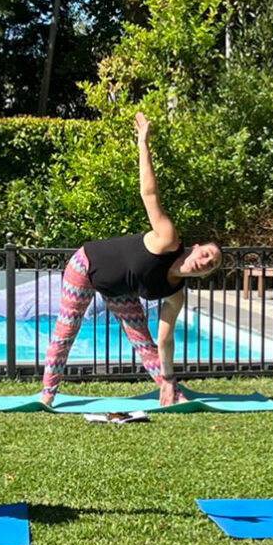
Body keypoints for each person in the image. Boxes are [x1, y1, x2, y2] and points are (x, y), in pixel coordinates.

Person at [39, 112, 223, 408]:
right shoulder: (168, 239)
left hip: (119, 290)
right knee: (66, 332)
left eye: (211, 264)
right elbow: (148, 194)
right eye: (206, 254)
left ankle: (168, 392)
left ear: (205, 275)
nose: (206, 260)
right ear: (195, 248)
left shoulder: (176, 295)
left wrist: (170, 380)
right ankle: (47, 395)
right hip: (86, 265)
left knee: (143, 340)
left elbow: (164, 341)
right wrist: (142, 142)